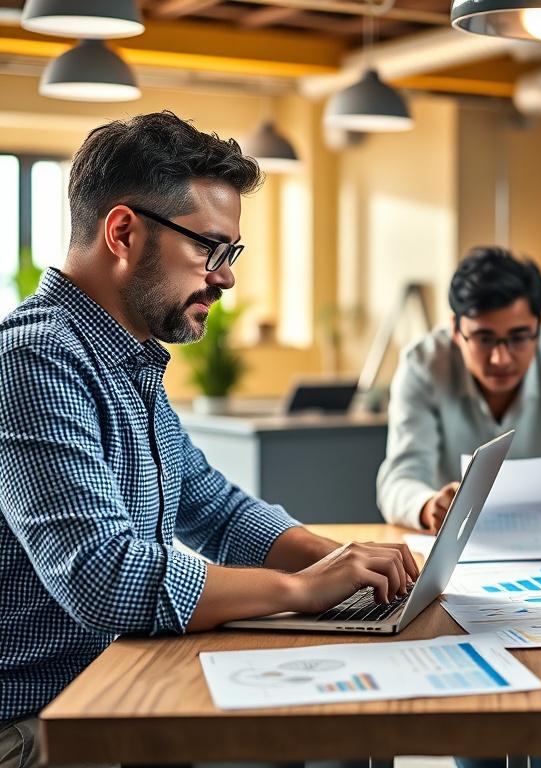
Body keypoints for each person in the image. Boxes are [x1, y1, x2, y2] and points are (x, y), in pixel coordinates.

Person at [0, 112, 417, 768]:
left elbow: (215, 509)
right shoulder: (35, 360)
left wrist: (348, 564)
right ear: (123, 232)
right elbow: (102, 578)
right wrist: (301, 590)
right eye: (209, 249)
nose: (224, 278)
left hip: (114, 689)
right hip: (41, 728)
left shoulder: (127, 359)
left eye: (232, 254)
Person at [377, 245, 541, 534]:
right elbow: (400, 479)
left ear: (538, 327)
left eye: (518, 337)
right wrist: (428, 505)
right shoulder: (422, 363)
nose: (501, 358)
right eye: (484, 338)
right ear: (456, 329)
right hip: (452, 544)